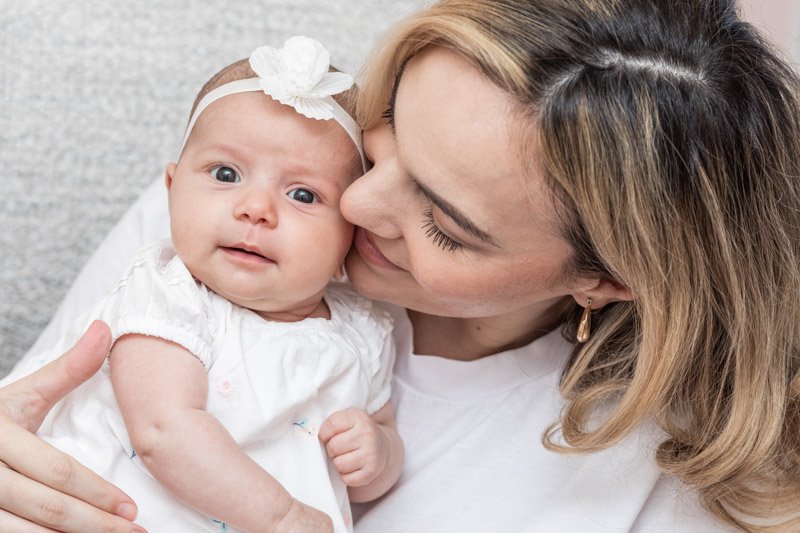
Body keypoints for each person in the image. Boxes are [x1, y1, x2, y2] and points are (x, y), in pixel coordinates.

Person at [1, 0, 798, 531]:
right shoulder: (249, 193)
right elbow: (46, 428)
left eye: (445, 226)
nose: (354, 205)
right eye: (382, 138)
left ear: (606, 278)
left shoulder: (657, 476)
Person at [0, 36, 402, 533]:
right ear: (171, 192)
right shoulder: (168, 296)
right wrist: (280, 518)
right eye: (226, 173)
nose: (255, 209)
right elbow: (163, 430)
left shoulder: (364, 331)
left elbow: (376, 451)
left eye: (303, 194)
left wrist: (378, 453)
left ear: (351, 236)